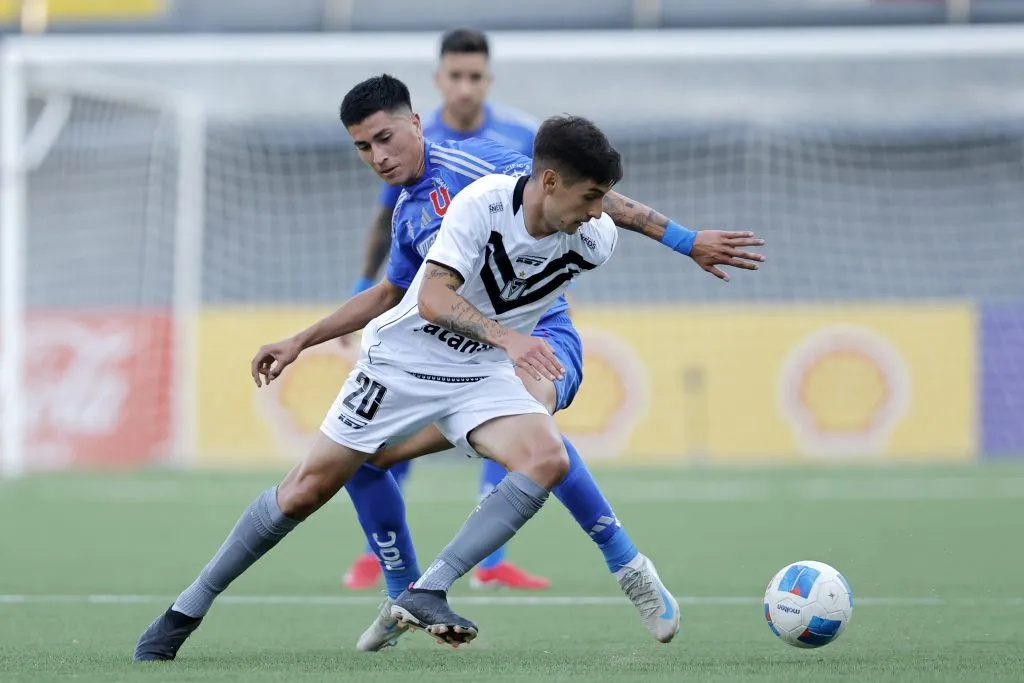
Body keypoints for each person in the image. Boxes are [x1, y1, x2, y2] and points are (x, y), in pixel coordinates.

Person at [132, 75, 764, 661]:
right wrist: (302, 339)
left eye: (384, 138)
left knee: (545, 451)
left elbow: (586, 191)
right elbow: (402, 295)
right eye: (362, 148)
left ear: (415, 122)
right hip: (408, 363)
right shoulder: (414, 211)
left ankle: (614, 569)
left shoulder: (487, 171)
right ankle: (188, 610)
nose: (377, 156)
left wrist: (684, 240)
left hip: (514, 347)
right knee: (307, 490)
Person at [344, 28, 543, 592]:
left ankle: (492, 560)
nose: (464, 87)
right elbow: (388, 223)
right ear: (438, 82)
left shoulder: (520, 135)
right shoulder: (406, 140)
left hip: (506, 304)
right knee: (398, 416)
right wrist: (362, 290)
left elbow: (547, 213)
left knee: (516, 417)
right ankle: (374, 554)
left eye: (474, 76)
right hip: (428, 306)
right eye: (454, 76)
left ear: (488, 80)